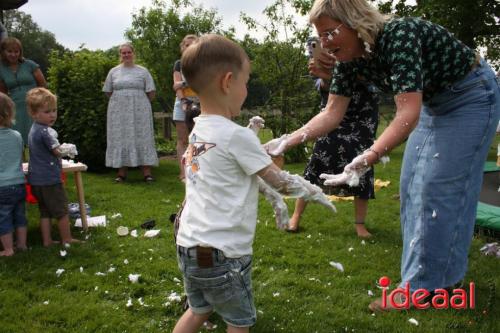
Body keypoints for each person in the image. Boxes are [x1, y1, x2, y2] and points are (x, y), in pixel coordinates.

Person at [265, 0, 500, 311]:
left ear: (355, 22)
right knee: (411, 188)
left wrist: (366, 158)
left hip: (471, 95)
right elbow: (332, 113)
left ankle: (422, 290)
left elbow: (407, 112)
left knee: (438, 190)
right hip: (434, 103)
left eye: (330, 32)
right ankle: (435, 280)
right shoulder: (349, 60)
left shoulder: (398, 36)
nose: (324, 43)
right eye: (319, 36)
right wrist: (287, 140)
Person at [173, 34, 334, 333]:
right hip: (224, 253)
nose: (246, 89)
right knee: (238, 322)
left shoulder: (198, 132)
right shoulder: (238, 135)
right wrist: (315, 190)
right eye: (246, 82)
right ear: (228, 82)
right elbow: (281, 183)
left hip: (188, 247)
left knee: (198, 310)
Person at [288, 41, 378, 237]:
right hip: (331, 121)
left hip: (361, 120)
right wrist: (325, 76)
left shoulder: (360, 53)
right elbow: (325, 89)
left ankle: (360, 225)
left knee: (362, 169)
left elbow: (368, 82)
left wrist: (335, 72)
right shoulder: (326, 61)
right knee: (314, 167)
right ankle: (295, 216)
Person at [26, 87, 80, 247]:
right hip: (50, 179)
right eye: (47, 111)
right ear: (34, 113)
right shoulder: (45, 132)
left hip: (36, 179)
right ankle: (67, 239)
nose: (52, 115)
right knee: (61, 210)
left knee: (45, 212)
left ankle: (47, 240)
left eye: (54, 110)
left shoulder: (33, 129)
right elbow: (57, 152)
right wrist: (68, 149)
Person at [103, 43, 158, 182]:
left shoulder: (143, 71)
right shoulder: (113, 72)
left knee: (142, 136)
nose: (126, 55)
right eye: (123, 53)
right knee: (121, 137)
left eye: (129, 52)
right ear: (120, 55)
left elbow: (151, 92)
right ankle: (121, 173)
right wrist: (121, 102)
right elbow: (108, 91)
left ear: (134, 53)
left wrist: (140, 104)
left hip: (140, 111)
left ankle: (147, 173)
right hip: (118, 112)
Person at [0, 37, 46, 145]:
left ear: (20, 52)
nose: (13, 54)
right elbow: (3, 94)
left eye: (16, 51)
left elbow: (43, 85)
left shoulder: (30, 64)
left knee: (35, 136)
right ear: (3, 52)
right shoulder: (1, 69)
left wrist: (40, 102)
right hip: (15, 108)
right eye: (10, 51)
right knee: (18, 138)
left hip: (34, 105)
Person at [0, 92, 27, 256]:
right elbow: (21, 158)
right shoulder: (17, 136)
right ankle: (22, 245)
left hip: (1, 186)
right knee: (19, 215)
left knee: (3, 218)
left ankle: (8, 249)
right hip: (18, 183)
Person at [172, 34, 199, 181]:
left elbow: (203, 83)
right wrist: (183, 100)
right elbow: (176, 85)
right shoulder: (178, 64)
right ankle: (183, 173)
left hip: (201, 103)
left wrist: (184, 82)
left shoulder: (203, 63)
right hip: (182, 101)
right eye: (187, 45)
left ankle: (195, 170)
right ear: (183, 47)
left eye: (193, 44)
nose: (190, 47)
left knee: (197, 138)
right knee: (182, 139)